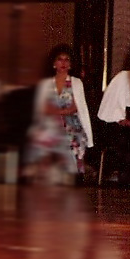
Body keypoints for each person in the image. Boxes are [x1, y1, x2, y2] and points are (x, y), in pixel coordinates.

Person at [23, 45, 93, 184]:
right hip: (50, 124)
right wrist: (57, 112)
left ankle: (70, 177)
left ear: (71, 64)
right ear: (54, 63)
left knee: (69, 136)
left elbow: (77, 108)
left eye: (67, 60)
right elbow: (42, 109)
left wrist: (57, 111)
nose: (63, 63)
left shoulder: (76, 83)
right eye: (60, 60)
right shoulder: (45, 84)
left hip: (72, 125)